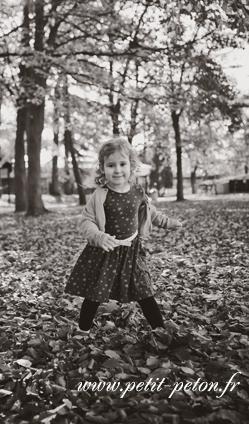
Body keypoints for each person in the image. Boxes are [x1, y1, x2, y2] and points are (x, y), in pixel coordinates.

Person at [64, 138, 182, 343]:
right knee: (95, 293)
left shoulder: (137, 192)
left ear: (131, 166)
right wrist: (97, 236)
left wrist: (168, 223)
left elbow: (150, 212)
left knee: (144, 289)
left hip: (132, 250)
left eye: (122, 164)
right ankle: (83, 330)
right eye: (111, 165)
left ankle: (159, 330)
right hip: (105, 250)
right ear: (102, 169)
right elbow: (87, 221)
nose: (117, 170)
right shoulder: (100, 195)